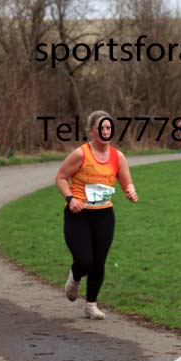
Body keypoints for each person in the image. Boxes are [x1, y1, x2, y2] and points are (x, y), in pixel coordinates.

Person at [54, 111, 139, 320]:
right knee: (84, 261)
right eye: (102, 127)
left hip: (104, 215)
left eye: (109, 128)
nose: (106, 131)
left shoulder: (117, 157)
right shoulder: (81, 154)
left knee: (99, 261)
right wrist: (70, 199)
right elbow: (61, 177)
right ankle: (74, 277)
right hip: (79, 214)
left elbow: (126, 181)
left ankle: (91, 304)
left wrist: (130, 191)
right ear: (92, 131)